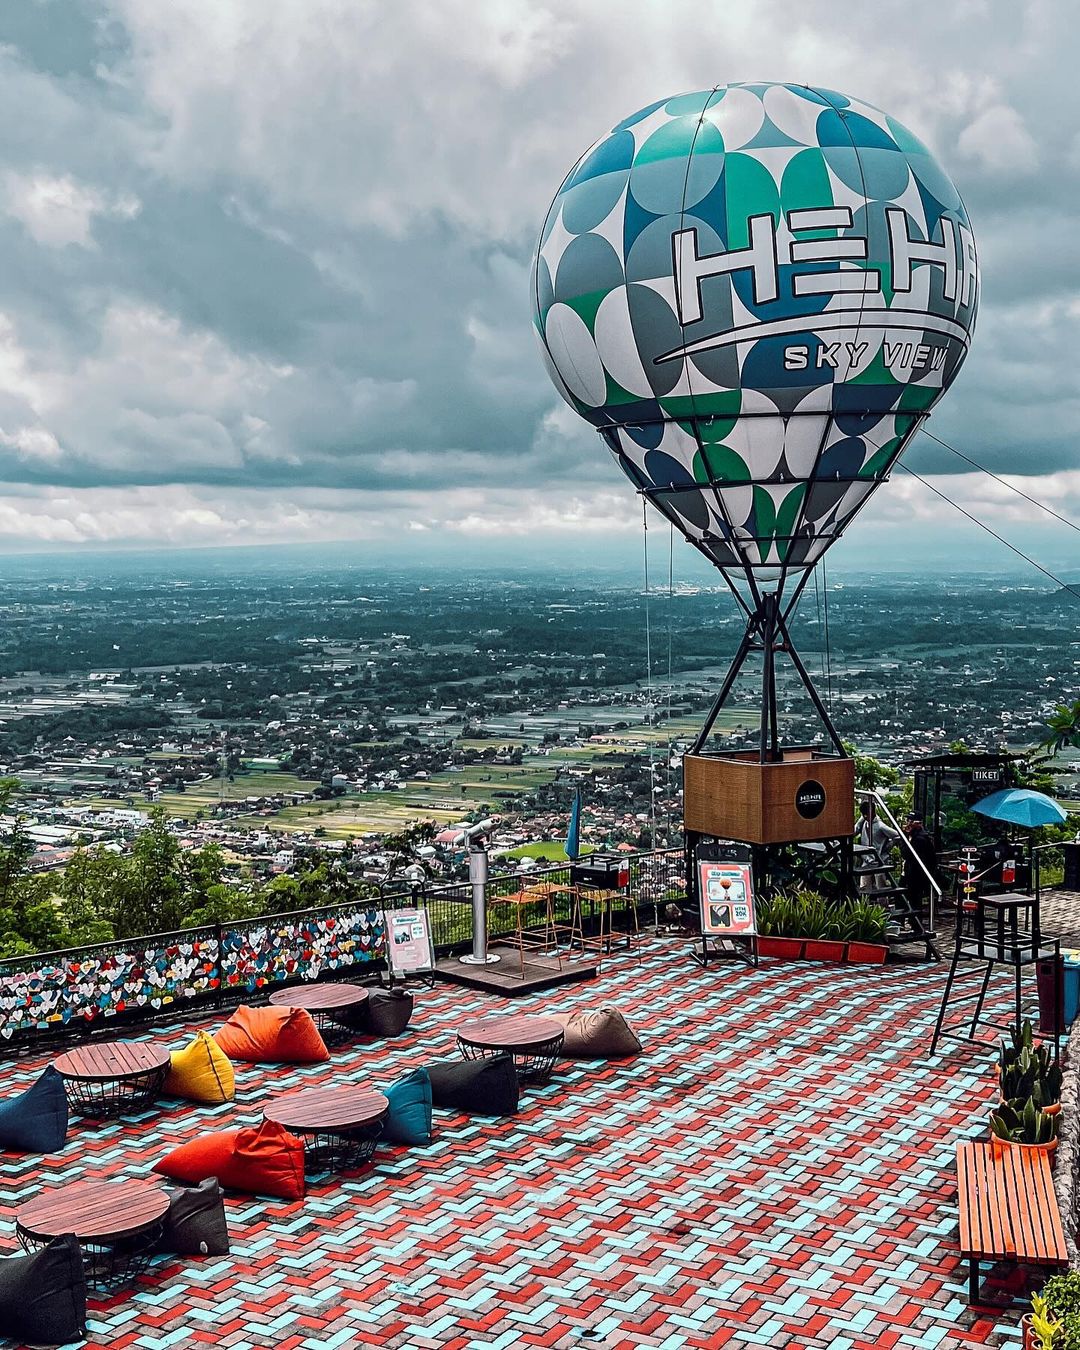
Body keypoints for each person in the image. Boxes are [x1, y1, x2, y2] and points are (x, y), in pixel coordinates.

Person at [857, 801, 899, 892]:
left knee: (881, 887)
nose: (865, 817)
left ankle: (883, 906)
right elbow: (856, 829)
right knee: (864, 887)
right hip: (866, 860)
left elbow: (897, 835)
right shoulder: (864, 821)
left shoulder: (880, 826)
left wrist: (887, 847)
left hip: (879, 860)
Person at [902, 816, 938, 915]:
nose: (908, 824)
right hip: (910, 871)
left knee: (914, 899)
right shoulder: (917, 836)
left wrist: (904, 838)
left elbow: (906, 854)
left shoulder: (919, 839)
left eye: (910, 822)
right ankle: (907, 919)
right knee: (904, 896)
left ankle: (915, 923)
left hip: (915, 873)